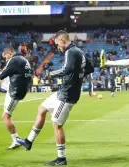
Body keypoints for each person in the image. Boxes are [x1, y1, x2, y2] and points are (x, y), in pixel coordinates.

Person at [16, 30, 93, 166]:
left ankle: (61, 158)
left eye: (57, 43)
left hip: (67, 95)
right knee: (41, 109)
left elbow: (66, 70)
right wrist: (78, 76)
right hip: (63, 91)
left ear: (62, 40)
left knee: (57, 124)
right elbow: (90, 67)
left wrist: (50, 73)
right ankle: (29, 141)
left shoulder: (71, 52)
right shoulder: (78, 51)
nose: (57, 47)